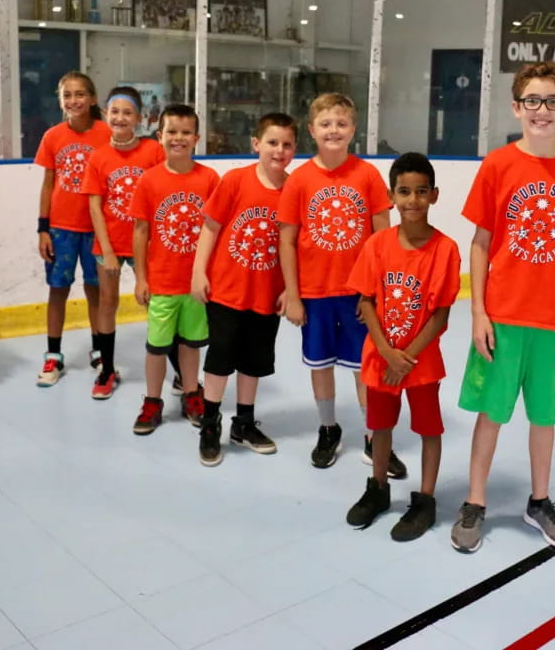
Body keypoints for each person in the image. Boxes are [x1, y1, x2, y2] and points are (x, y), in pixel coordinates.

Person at [450, 61, 555, 553]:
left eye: (552, 101)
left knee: (545, 417)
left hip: (554, 324)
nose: (542, 110)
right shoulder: (498, 166)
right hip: (503, 319)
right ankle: (475, 502)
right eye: (533, 101)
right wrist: (478, 312)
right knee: (490, 414)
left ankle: (539, 501)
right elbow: (479, 243)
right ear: (517, 107)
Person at [278, 93, 406, 476]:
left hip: (357, 295)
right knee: (321, 364)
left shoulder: (366, 175)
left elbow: (382, 238)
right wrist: (294, 294)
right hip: (315, 296)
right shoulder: (299, 179)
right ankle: (328, 428)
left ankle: (373, 435)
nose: (333, 130)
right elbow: (286, 239)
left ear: (353, 129)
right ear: (312, 130)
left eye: (341, 123)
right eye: (326, 124)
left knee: (363, 366)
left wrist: (376, 292)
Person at [345, 153, 461, 541]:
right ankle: (378, 488)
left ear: (434, 195)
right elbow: (365, 302)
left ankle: (425, 499)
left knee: (429, 428)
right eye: (404, 192)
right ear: (392, 196)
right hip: (382, 359)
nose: (412, 200)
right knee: (379, 427)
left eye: (421, 192)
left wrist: (406, 358)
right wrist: (388, 354)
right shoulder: (377, 245)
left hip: (422, 364)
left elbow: (441, 314)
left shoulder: (445, 250)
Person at [190, 113, 297, 466]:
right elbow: (210, 228)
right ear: (256, 144)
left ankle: (244, 422)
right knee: (220, 358)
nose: (279, 150)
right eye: (272, 142)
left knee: (254, 361)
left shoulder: (294, 190)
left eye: (286, 144)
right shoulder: (235, 181)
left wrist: (291, 289)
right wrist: (198, 272)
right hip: (225, 291)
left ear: (295, 149)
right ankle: (210, 423)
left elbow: (296, 246)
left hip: (267, 295)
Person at [128, 104, 218, 435]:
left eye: (185, 133)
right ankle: (152, 400)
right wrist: (141, 277)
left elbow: (216, 229)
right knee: (156, 347)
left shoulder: (209, 179)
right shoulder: (149, 180)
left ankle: (192, 393)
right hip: (162, 283)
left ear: (196, 138)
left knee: (192, 345)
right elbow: (140, 231)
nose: (178, 138)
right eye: (171, 132)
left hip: (194, 285)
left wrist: (210, 275)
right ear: (159, 136)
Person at [82, 86, 165, 399]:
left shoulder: (154, 153)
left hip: (147, 245)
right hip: (111, 246)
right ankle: (107, 369)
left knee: (158, 306)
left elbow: (161, 195)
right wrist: (107, 250)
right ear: (105, 115)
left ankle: (176, 371)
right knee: (107, 304)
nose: (120, 118)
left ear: (139, 118)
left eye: (127, 113)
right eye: (114, 112)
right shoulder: (99, 157)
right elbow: (94, 206)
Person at [35, 71, 111, 387]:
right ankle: (54, 355)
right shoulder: (53, 136)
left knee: (96, 291)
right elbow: (48, 183)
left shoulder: (107, 134)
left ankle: (99, 350)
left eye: (80, 94)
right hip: (60, 229)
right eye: (67, 95)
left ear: (92, 99)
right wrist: (42, 228)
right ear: (61, 100)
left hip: (97, 230)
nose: (74, 100)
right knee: (58, 289)